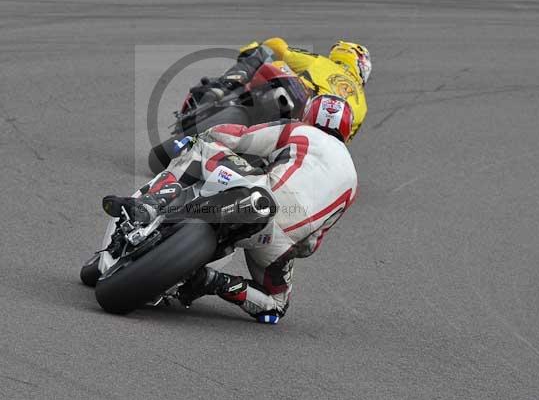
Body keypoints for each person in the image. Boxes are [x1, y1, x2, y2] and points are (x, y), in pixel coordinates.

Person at [110, 94, 359, 324]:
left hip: (261, 193)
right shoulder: (353, 180)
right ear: (347, 131)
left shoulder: (300, 129)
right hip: (279, 242)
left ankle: (151, 204)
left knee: (203, 145)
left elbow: (240, 136)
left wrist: (203, 135)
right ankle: (214, 281)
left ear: (309, 114)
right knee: (275, 306)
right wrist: (285, 247)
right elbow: (312, 243)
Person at [201, 37, 371, 141]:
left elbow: (280, 47)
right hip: (314, 136)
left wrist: (255, 48)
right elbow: (343, 139)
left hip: (298, 97)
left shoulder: (322, 62)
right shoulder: (362, 105)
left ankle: (225, 86)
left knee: (271, 60)